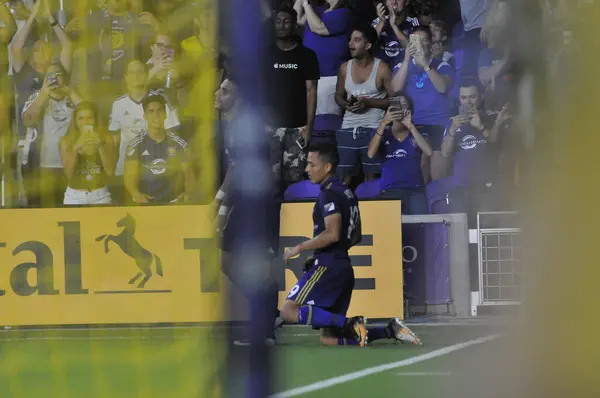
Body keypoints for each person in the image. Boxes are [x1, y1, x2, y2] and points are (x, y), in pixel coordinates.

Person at [281, 142, 421, 346]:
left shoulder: (329, 193)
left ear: (327, 166)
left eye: (311, 164)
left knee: (288, 310)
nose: (307, 169)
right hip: (343, 267)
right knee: (330, 338)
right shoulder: (347, 192)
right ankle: (388, 330)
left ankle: (352, 322)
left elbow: (333, 233)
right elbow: (355, 235)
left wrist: (300, 248)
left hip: (327, 266)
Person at [213, 76, 282, 345]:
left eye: (226, 91)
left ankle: (265, 331)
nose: (218, 94)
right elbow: (234, 166)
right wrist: (221, 201)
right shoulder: (232, 126)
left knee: (258, 269)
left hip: (259, 205)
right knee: (225, 259)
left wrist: (221, 205)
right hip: (243, 203)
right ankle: (269, 312)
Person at [109, 59, 180, 203]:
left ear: (147, 75)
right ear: (126, 77)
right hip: (126, 171)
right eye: (132, 72)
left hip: (157, 173)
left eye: (140, 71)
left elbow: (174, 137)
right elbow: (114, 140)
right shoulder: (118, 104)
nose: (136, 75)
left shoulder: (162, 100)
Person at [264, 5, 319, 192]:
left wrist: (309, 128)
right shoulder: (266, 54)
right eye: (278, 22)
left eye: (286, 21)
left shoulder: (307, 56)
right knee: (269, 182)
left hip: (298, 128)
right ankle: (271, 220)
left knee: (294, 182)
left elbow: (311, 92)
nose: (281, 25)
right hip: (269, 128)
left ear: (295, 25)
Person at [391, 26, 454, 180]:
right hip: (415, 125)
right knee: (421, 170)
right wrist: (406, 59)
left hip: (438, 123)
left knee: (438, 175)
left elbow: (443, 87)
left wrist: (426, 66)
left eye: (424, 40)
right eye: (415, 40)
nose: (419, 44)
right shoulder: (401, 66)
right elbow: (394, 89)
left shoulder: (441, 64)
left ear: (430, 43)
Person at [334, 25, 394, 185]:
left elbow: (395, 101)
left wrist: (369, 102)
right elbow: (338, 95)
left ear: (368, 45)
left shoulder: (382, 68)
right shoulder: (344, 67)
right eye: (351, 39)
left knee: (372, 176)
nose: (351, 44)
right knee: (343, 178)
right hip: (348, 128)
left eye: (357, 40)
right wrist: (347, 105)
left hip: (373, 129)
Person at [440, 78, 507, 218]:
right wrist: (452, 130)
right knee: (460, 234)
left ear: (481, 97)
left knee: (485, 231)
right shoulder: (452, 122)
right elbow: (445, 153)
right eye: (463, 98)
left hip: (486, 187)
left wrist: (481, 127)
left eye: (472, 97)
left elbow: (495, 143)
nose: (468, 102)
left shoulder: (492, 117)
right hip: (460, 188)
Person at [22, 63, 83, 207]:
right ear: (44, 79)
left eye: (58, 74)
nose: (54, 79)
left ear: (66, 78)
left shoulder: (74, 96)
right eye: (50, 76)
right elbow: (28, 121)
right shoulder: (38, 97)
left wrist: (70, 91)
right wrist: (44, 94)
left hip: (72, 165)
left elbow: (90, 116)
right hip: (43, 167)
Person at [294, 0, 352, 139]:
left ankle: (327, 157)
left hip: (330, 77)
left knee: (325, 126)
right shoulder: (318, 10)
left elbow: (319, 27)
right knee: (304, 124)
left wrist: (306, 4)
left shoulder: (343, 13)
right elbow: (296, 19)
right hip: (309, 78)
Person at [367, 93, 432, 214]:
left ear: (409, 110)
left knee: (418, 229)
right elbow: (370, 154)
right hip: (389, 191)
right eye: (396, 106)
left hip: (415, 191)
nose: (399, 109)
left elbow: (428, 151)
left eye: (403, 106)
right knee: (390, 231)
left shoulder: (418, 132)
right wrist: (383, 123)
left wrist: (411, 126)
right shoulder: (382, 133)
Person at [124, 94, 193, 204]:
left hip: (174, 202)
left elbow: (188, 174)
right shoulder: (136, 145)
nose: (156, 115)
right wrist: (136, 194)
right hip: (146, 202)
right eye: (151, 111)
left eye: (159, 111)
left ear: (165, 115)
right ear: (145, 116)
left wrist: (188, 193)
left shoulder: (179, 143)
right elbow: (130, 176)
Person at [60, 102, 115, 205]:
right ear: (75, 121)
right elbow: (68, 174)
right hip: (74, 196)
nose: (85, 122)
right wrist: (76, 147)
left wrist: (100, 146)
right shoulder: (67, 141)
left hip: (100, 195)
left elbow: (110, 172)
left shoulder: (106, 138)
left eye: (90, 118)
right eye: (81, 118)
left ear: (95, 120)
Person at [372, 0, 420, 69]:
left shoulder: (414, 23)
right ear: (385, 3)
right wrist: (381, 22)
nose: (394, 2)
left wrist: (394, 26)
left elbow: (416, 51)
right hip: (379, 71)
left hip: (404, 72)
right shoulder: (377, 21)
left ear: (406, 2)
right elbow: (368, 47)